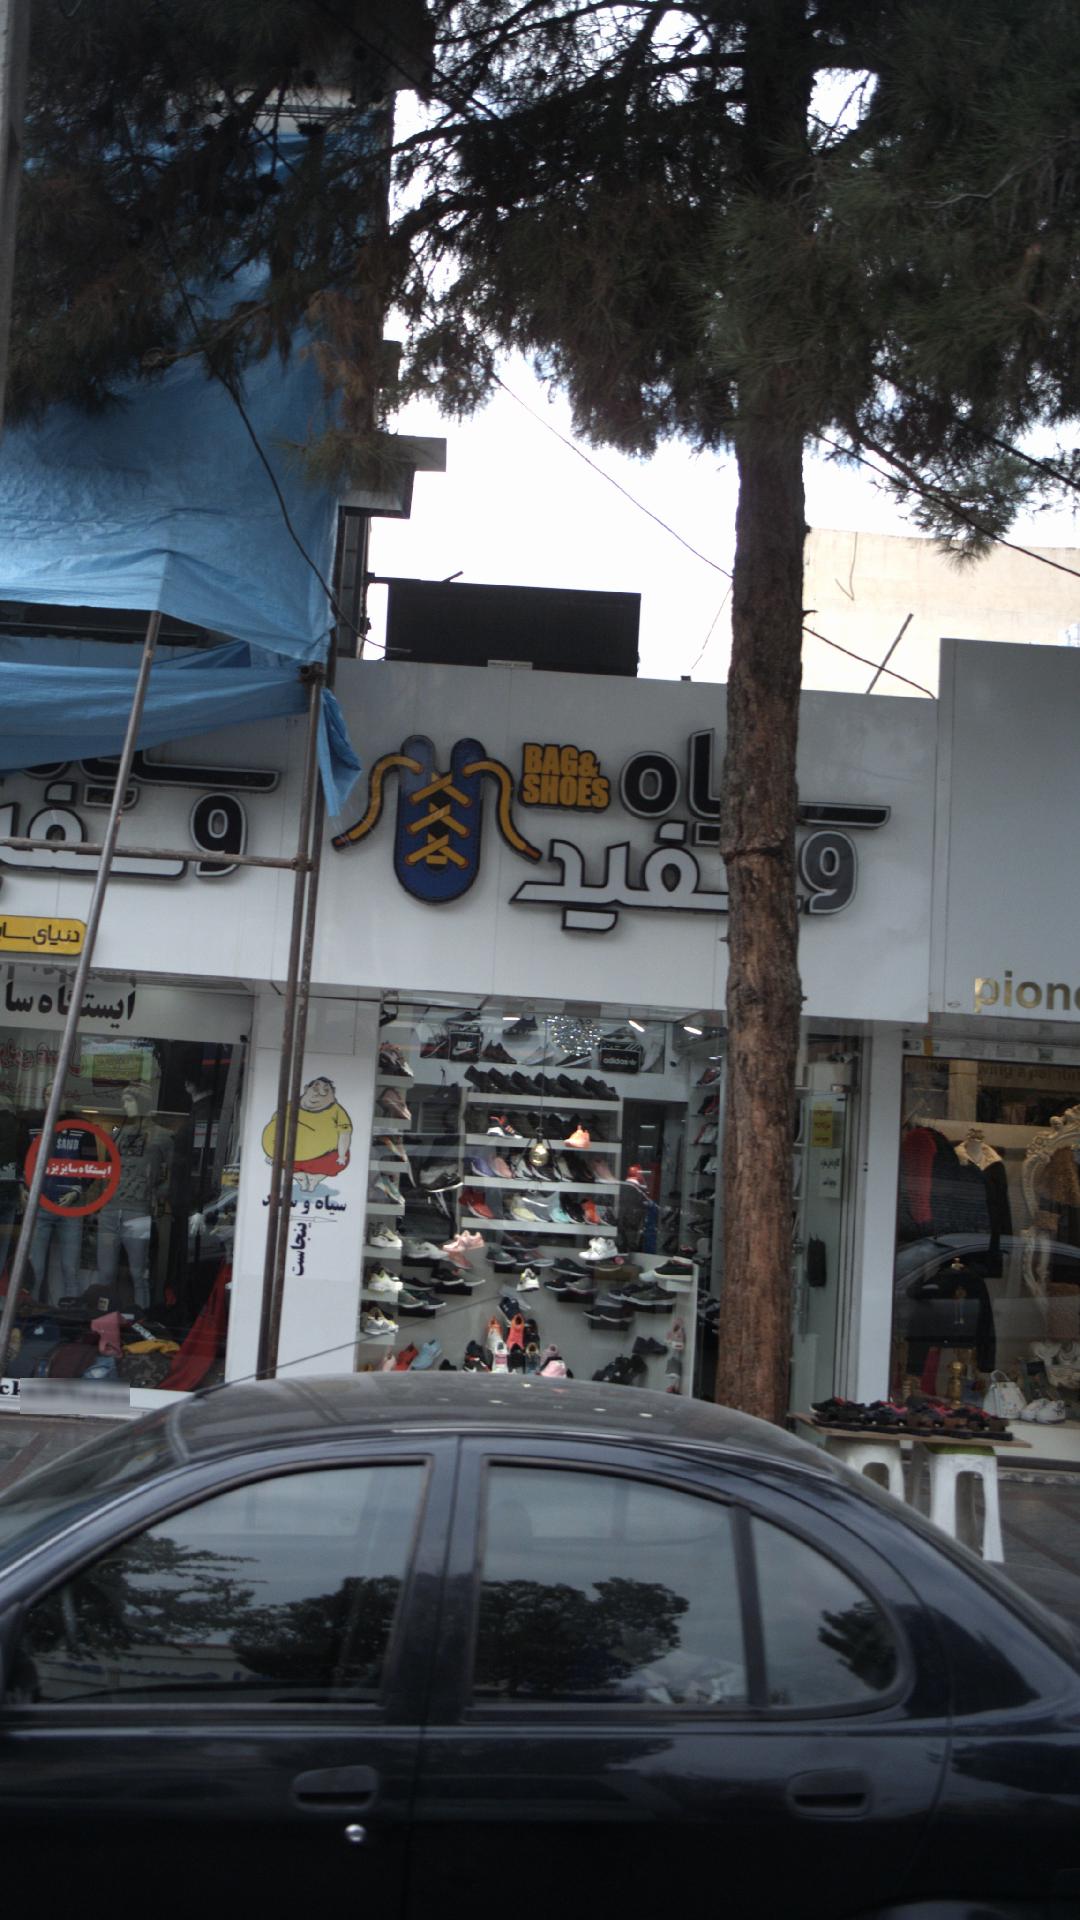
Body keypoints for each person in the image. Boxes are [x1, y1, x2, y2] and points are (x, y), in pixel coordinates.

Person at [261, 1078, 352, 1193]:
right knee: (294, 1170)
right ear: (306, 1089)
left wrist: (342, 1155)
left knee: (337, 1160)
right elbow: (275, 1124)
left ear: (332, 1093)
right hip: (289, 1157)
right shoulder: (291, 1105)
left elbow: (345, 1133)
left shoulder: (337, 1111)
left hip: (322, 1158)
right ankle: (302, 1179)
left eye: (325, 1091)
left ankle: (314, 1179)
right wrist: (271, 1153)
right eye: (315, 1088)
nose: (318, 1094)